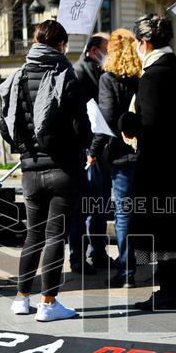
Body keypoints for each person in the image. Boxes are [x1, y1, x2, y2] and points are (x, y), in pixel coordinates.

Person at [0, 20, 92, 321]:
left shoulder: (18, 77)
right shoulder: (66, 75)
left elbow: (6, 125)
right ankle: (49, 303)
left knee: (33, 236)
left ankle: (22, 298)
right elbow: (82, 127)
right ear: (61, 45)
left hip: (29, 170)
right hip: (63, 168)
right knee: (55, 237)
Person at [121, 14, 176, 310]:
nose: (135, 48)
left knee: (163, 234)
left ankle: (169, 290)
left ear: (144, 42)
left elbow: (153, 128)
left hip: (162, 170)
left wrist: (128, 123)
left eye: (136, 43)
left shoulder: (153, 77)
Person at [96, 28, 142, 287]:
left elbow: (106, 117)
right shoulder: (142, 77)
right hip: (143, 153)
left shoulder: (109, 79)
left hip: (120, 155)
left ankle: (126, 272)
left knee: (124, 215)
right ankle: (145, 262)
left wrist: (93, 151)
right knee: (142, 212)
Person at [70, 32, 111, 274]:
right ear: (94, 50)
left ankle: (98, 252)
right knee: (85, 205)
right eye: (107, 48)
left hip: (99, 145)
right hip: (88, 146)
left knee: (99, 204)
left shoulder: (100, 70)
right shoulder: (79, 72)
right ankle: (78, 257)